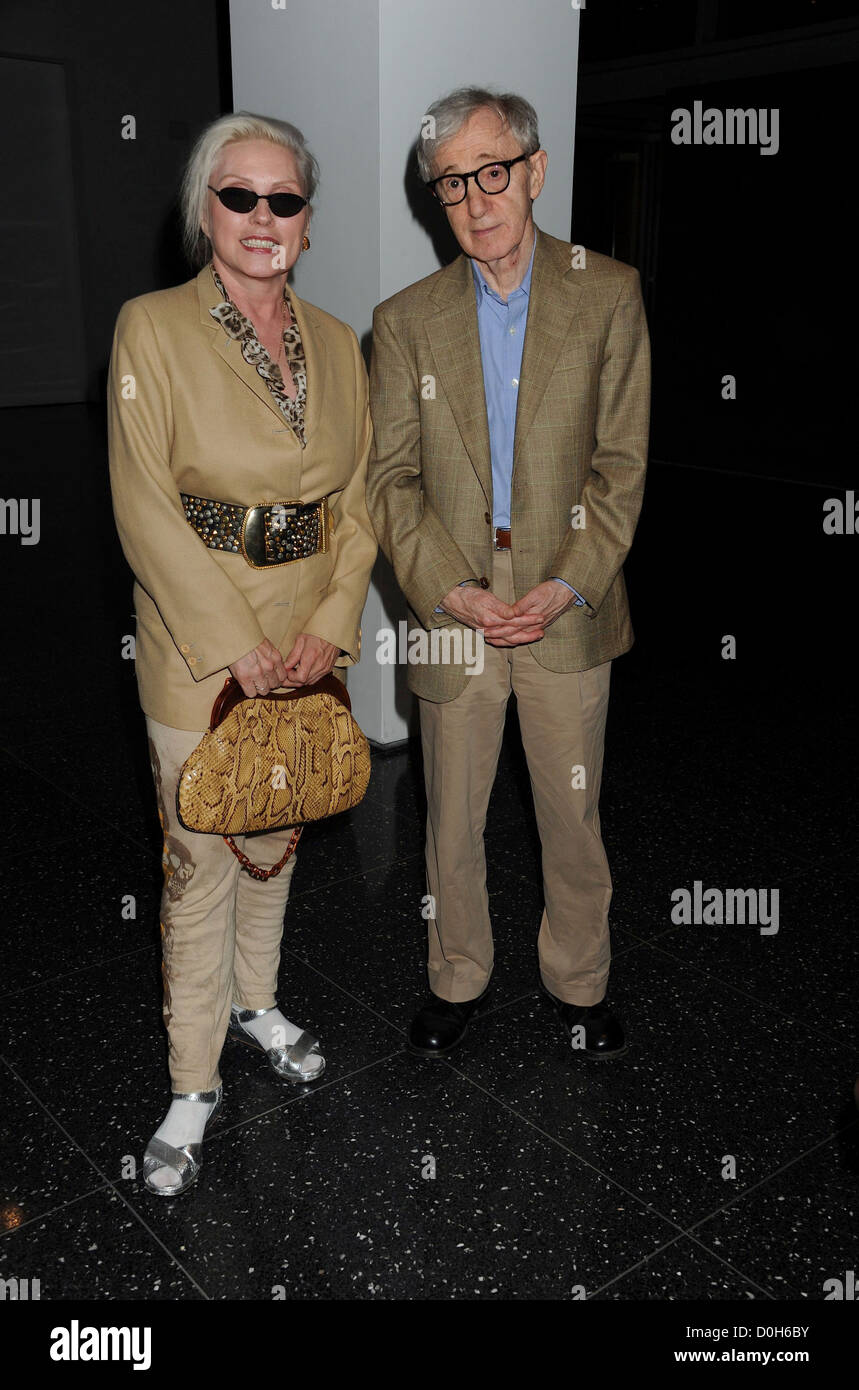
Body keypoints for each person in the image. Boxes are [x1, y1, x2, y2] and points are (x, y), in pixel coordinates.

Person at [108, 111, 377, 1195]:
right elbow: (144, 508)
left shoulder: (342, 342)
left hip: (309, 638)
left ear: (308, 221)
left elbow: (357, 504)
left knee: (281, 826)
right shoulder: (151, 328)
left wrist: (330, 625)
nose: (262, 218)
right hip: (198, 645)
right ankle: (191, 1082)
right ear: (204, 211)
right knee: (200, 858)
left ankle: (257, 1002)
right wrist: (231, 647)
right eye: (239, 196)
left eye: (284, 199)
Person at [366, 88, 650, 1060]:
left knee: (569, 806)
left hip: (566, 589)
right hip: (452, 593)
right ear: (436, 199)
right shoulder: (402, 321)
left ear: (532, 171)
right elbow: (391, 478)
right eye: (452, 183)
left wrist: (568, 580)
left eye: (493, 171)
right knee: (452, 807)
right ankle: (457, 975)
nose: (476, 198)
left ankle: (578, 982)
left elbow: (621, 464)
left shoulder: (607, 291)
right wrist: (451, 587)